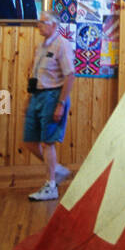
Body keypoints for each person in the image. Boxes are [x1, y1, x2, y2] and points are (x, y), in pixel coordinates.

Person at [23, 11, 75, 201]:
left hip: (53, 95)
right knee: (29, 140)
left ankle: (50, 185)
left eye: (43, 22)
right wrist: (29, 98)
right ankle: (57, 170)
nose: (39, 25)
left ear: (54, 25)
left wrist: (61, 104)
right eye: (39, 22)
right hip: (37, 95)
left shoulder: (62, 44)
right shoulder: (41, 46)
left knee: (47, 142)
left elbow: (70, 75)